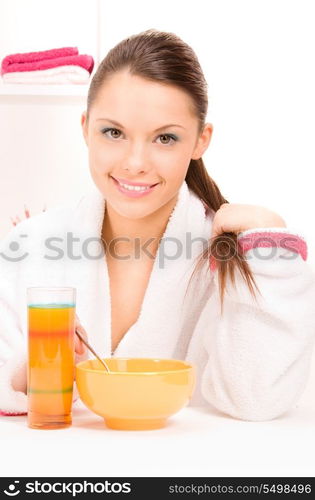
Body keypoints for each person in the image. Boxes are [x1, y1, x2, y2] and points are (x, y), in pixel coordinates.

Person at [1, 29, 315, 421]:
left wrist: (271, 245)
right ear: (85, 128)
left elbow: (257, 399)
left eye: (165, 138)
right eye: (113, 132)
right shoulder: (34, 243)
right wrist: (38, 364)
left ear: (201, 140)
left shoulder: (234, 251)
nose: (135, 162)